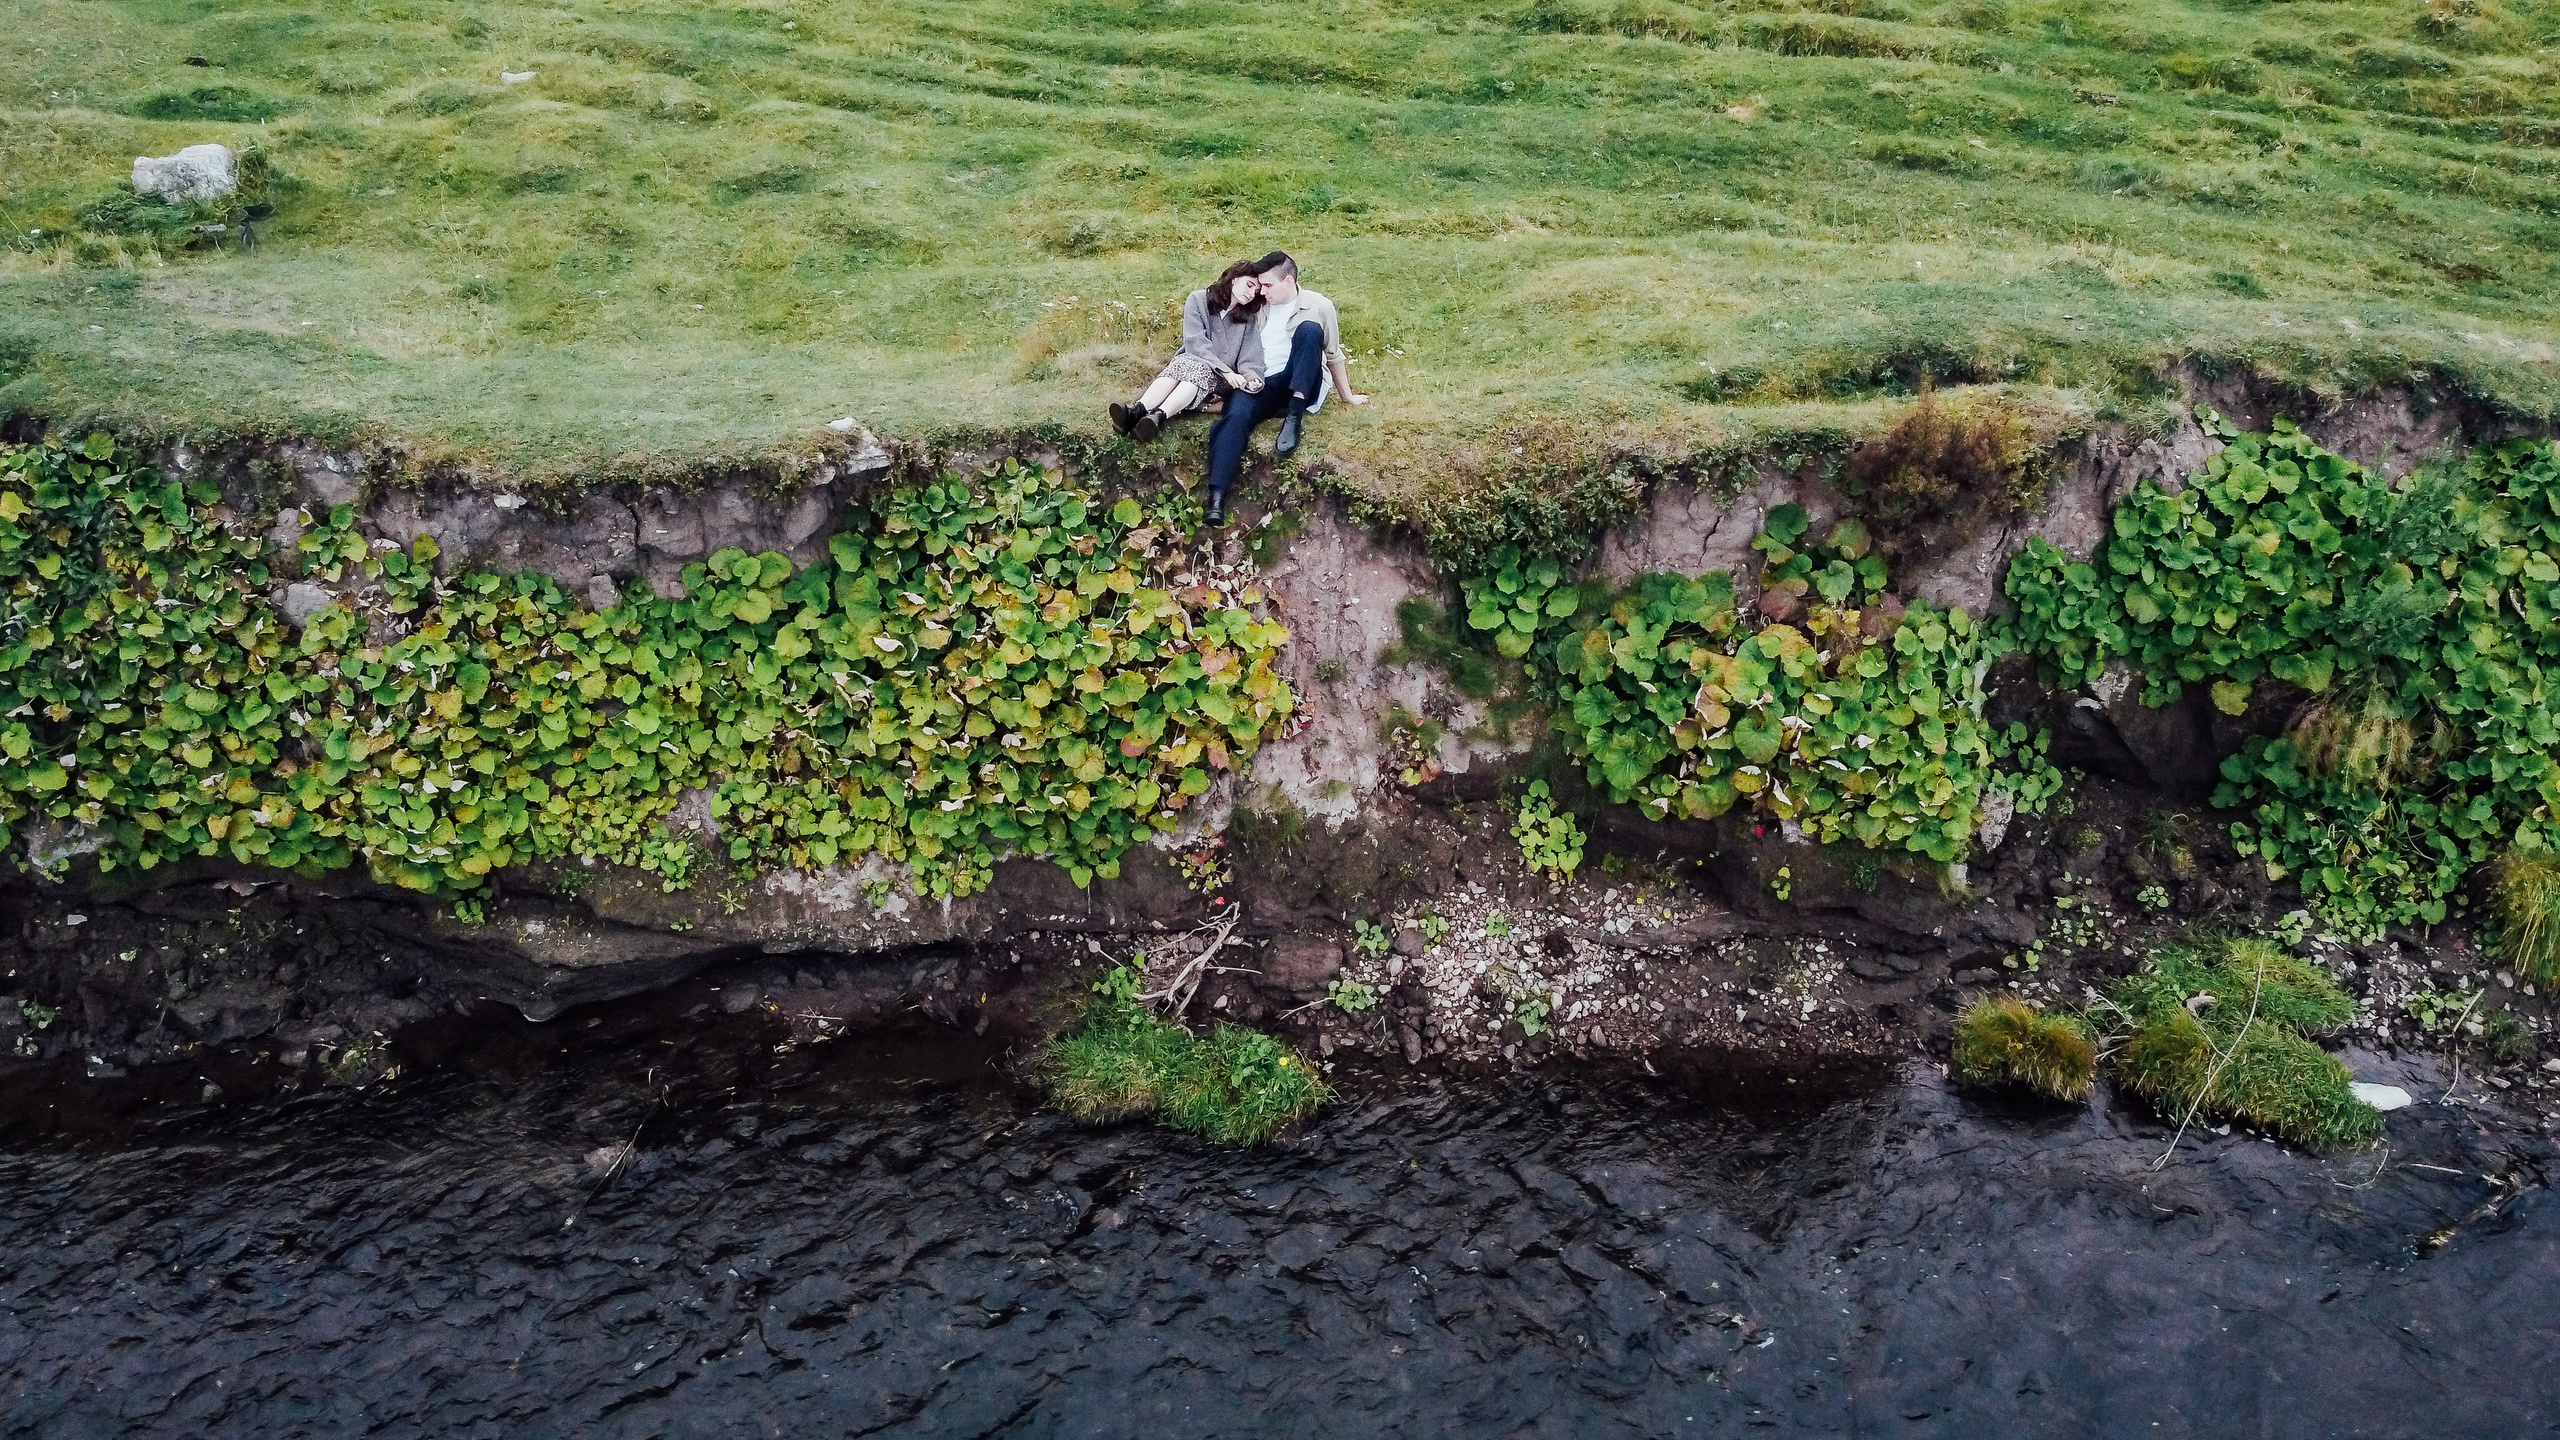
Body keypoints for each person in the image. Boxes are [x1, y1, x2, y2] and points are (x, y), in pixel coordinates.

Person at [1201, 251, 1368, 526]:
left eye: (1267, 285)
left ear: (1288, 281)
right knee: (1235, 418)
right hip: (1260, 381)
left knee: (1310, 330)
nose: (1261, 291)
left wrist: (1347, 396)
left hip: (1301, 383)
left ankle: (1294, 417)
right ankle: (1217, 498)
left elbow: (1334, 354)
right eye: (1259, 285)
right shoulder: (1256, 304)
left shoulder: (1319, 306)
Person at [1108, 259, 1269, 444]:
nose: (1250, 293)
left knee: (1195, 370)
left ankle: (1154, 416)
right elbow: (1195, 342)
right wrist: (1222, 368)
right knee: (1188, 365)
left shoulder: (1248, 319)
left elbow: (1251, 355)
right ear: (1234, 278)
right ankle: (1139, 413)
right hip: (1194, 359)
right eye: (1249, 285)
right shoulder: (1198, 299)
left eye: (1255, 291)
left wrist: (1252, 377)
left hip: (1222, 378)